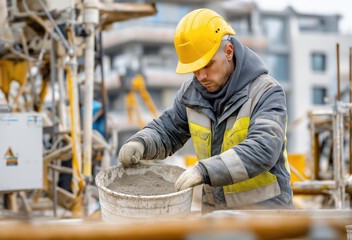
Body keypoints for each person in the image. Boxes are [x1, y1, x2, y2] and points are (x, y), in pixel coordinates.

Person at [118, 8, 294, 212]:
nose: (200, 76)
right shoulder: (191, 94)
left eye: (207, 65)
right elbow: (167, 130)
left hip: (268, 219)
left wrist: (204, 171)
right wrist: (141, 143)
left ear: (228, 52)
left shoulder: (265, 92)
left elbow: (263, 148)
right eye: (194, 68)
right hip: (217, 219)